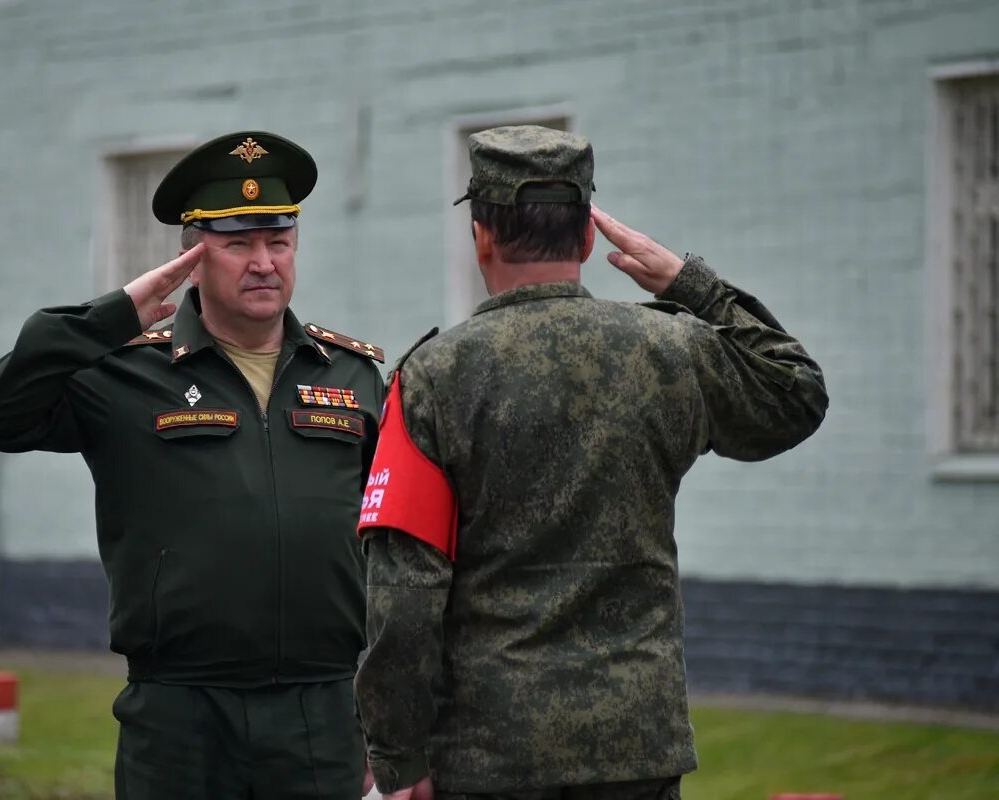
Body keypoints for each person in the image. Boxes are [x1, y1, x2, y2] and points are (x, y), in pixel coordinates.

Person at [353, 125, 829, 800]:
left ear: (481, 235)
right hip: (636, 749)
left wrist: (399, 760)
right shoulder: (669, 351)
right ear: (585, 238)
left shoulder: (432, 378)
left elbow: (403, 599)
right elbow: (795, 393)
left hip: (491, 757)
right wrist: (692, 284)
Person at [0, 131, 384, 799]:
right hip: (180, 717)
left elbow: (387, 546)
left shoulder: (354, 378)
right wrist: (108, 319)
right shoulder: (127, 372)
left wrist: (384, 718)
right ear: (193, 253)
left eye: (278, 241)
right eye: (237, 243)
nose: (264, 262)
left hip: (320, 712)